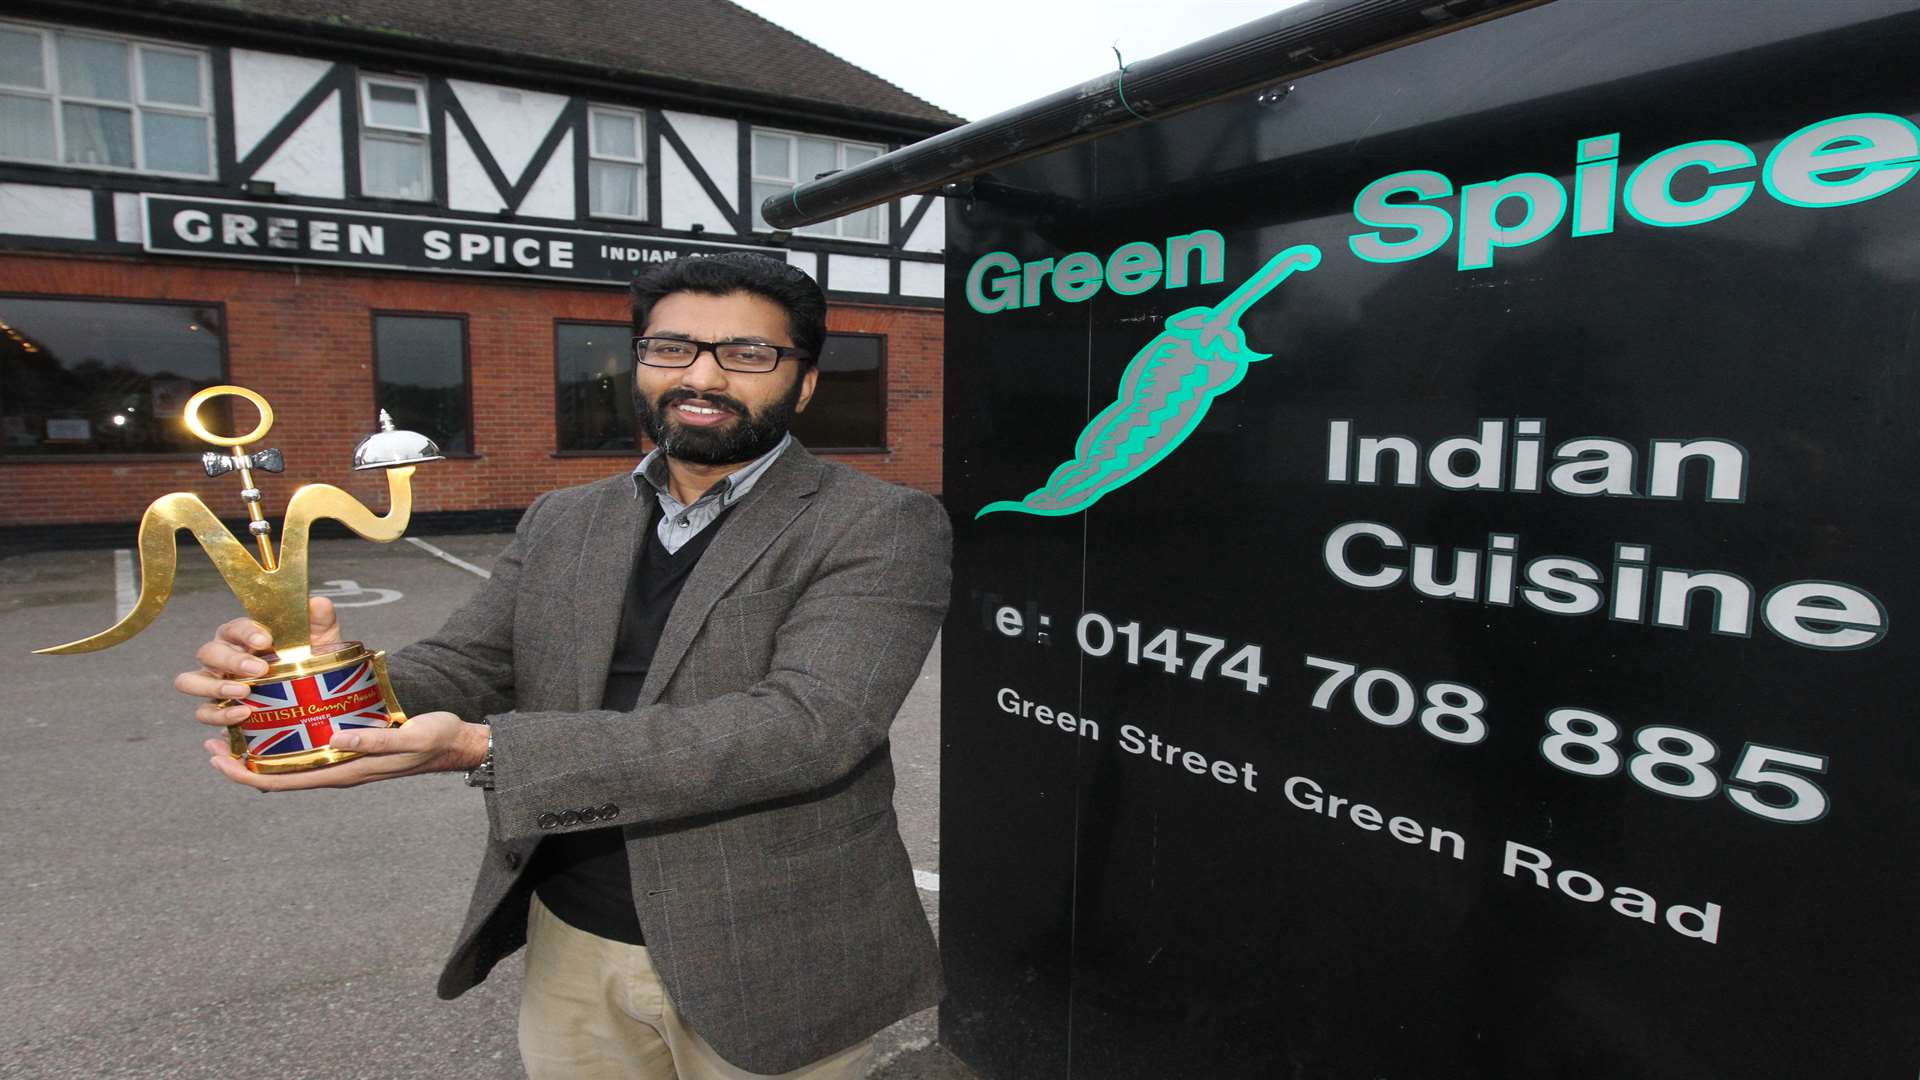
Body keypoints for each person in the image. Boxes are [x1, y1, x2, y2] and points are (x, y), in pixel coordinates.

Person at [173, 253, 951, 1079]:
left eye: (748, 354)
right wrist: (321, 686)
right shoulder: (565, 517)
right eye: (672, 348)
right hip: (571, 932)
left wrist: (488, 750)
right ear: (640, 361)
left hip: (772, 947)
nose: (702, 376)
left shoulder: (880, 523)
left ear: (803, 383)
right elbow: (470, 663)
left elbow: (808, 728)